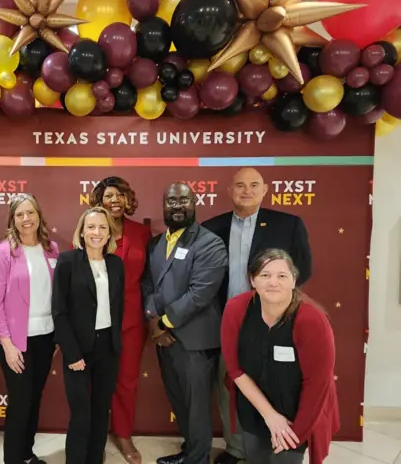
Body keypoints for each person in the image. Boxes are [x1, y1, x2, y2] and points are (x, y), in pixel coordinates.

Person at [202, 167, 312, 464]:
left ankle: (275, 444)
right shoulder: (211, 227)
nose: (246, 190)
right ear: (230, 191)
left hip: (271, 322)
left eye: (253, 185)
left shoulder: (288, 224)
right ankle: (237, 449)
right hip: (227, 322)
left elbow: (303, 270)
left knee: (272, 384)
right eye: (240, 185)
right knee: (230, 386)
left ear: (265, 190)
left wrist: (275, 304)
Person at [221, 249, 338, 464]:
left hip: (298, 414)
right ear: (252, 280)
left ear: (294, 281)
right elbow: (235, 369)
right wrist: (270, 415)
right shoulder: (236, 309)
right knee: (256, 457)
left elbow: (317, 384)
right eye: (265, 275)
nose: (273, 282)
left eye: (282, 275)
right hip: (254, 407)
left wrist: (294, 433)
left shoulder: (312, 321)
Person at [142, 182, 228, 464]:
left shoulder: (210, 242)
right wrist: (153, 319)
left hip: (194, 341)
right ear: (163, 206)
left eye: (184, 200)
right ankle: (191, 450)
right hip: (164, 338)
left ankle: (197, 459)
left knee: (196, 406)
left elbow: (201, 292)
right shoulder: (156, 242)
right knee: (180, 401)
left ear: (195, 203)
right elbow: (148, 284)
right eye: (171, 201)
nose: (177, 206)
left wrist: (163, 323)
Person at [0, 194, 59, 464]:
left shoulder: (52, 249)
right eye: (20, 214)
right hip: (16, 342)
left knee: (34, 399)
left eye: (30, 212)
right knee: (20, 402)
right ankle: (14, 459)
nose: (26, 219)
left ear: (39, 215)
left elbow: (57, 296)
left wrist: (58, 338)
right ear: (12, 220)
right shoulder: (3, 253)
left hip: (45, 338)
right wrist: (6, 345)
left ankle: (27, 454)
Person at [52, 207, 125, 464]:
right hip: (78, 349)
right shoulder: (68, 262)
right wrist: (71, 352)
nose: (97, 232)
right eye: (91, 227)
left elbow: (119, 307)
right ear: (81, 232)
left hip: (108, 348)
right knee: (81, 414)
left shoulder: (116, 264)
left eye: (102, 227)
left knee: (100, 412)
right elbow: (59, 311)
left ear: (109, 234)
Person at [89, 177, 151, 464]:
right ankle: (96, 437)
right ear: (99, 200)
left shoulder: (142, 233)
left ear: (128, 200)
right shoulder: (90, 230)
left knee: (126, 381)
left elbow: (149, 278)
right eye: (108, 195)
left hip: (131, 321)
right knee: (96, 382)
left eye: (120, 196)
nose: (114, 201)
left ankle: (123, 434)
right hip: (96, 320)